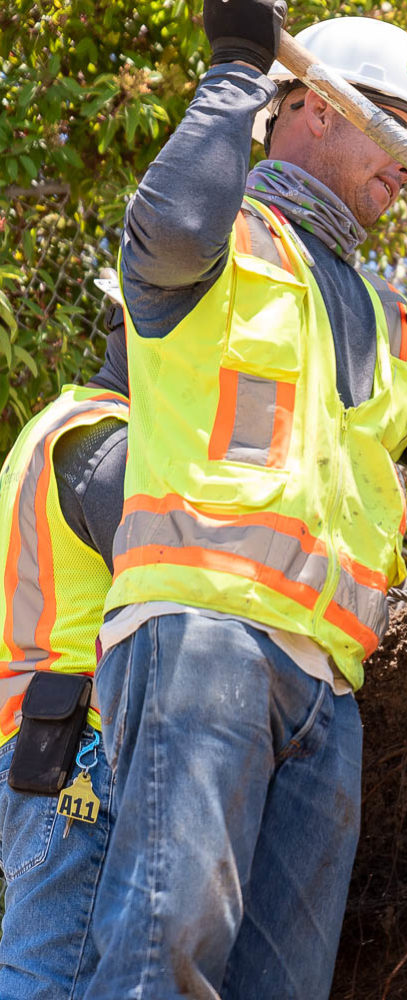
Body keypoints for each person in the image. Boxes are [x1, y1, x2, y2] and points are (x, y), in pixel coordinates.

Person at [87, 3, 407, 996]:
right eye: (397, 130)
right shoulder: (219, 241)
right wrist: (236, 67)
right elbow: (170, 231)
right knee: (163, 954)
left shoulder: (373, 310)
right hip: (203, 634)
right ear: (312, 107)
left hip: (324, 685)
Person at [0, 280, 130, 998]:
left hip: (37, 741)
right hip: (78, 750)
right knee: (53, 978)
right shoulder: (109, 442)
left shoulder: (53, 423)